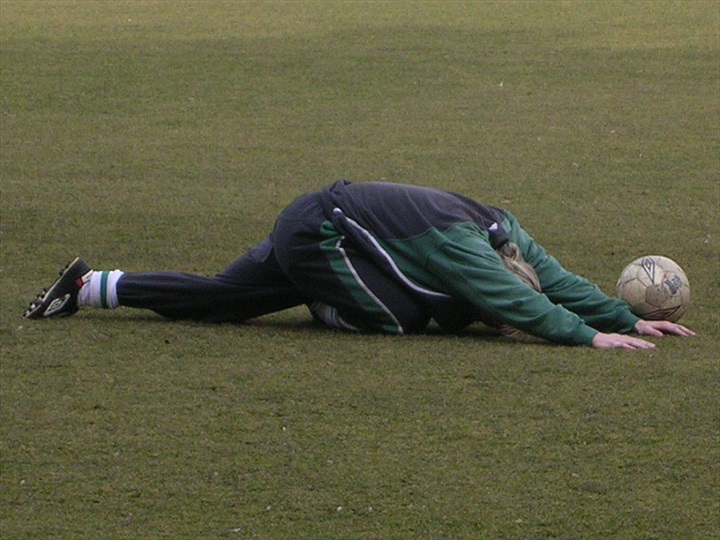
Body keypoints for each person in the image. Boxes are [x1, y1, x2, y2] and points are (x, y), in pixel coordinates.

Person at [23, 179, 694, 350]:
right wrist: (589, 336)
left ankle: (88, 287)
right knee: (404, 319)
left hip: (315, 221)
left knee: (223, 301)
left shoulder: (504, 230)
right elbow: (524, 303)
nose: (513, 274)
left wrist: (627, 315)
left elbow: (555, 282)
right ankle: (325, 301)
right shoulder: (466, 249)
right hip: (320, 235)